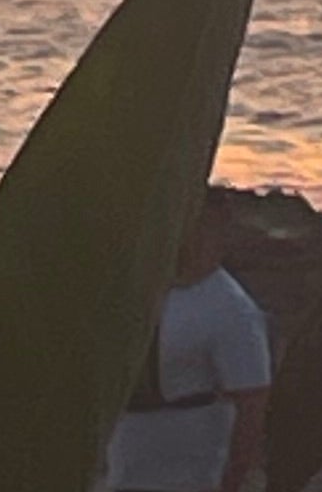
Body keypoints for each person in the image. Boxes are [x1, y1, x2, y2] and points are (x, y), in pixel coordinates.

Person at [99, 194, 270, 492]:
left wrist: (233, 480)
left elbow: (252, 403)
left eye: (207, 228)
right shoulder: (137, 292)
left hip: (192, 476)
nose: (197, 239)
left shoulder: (230, 308)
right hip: (125, 470)